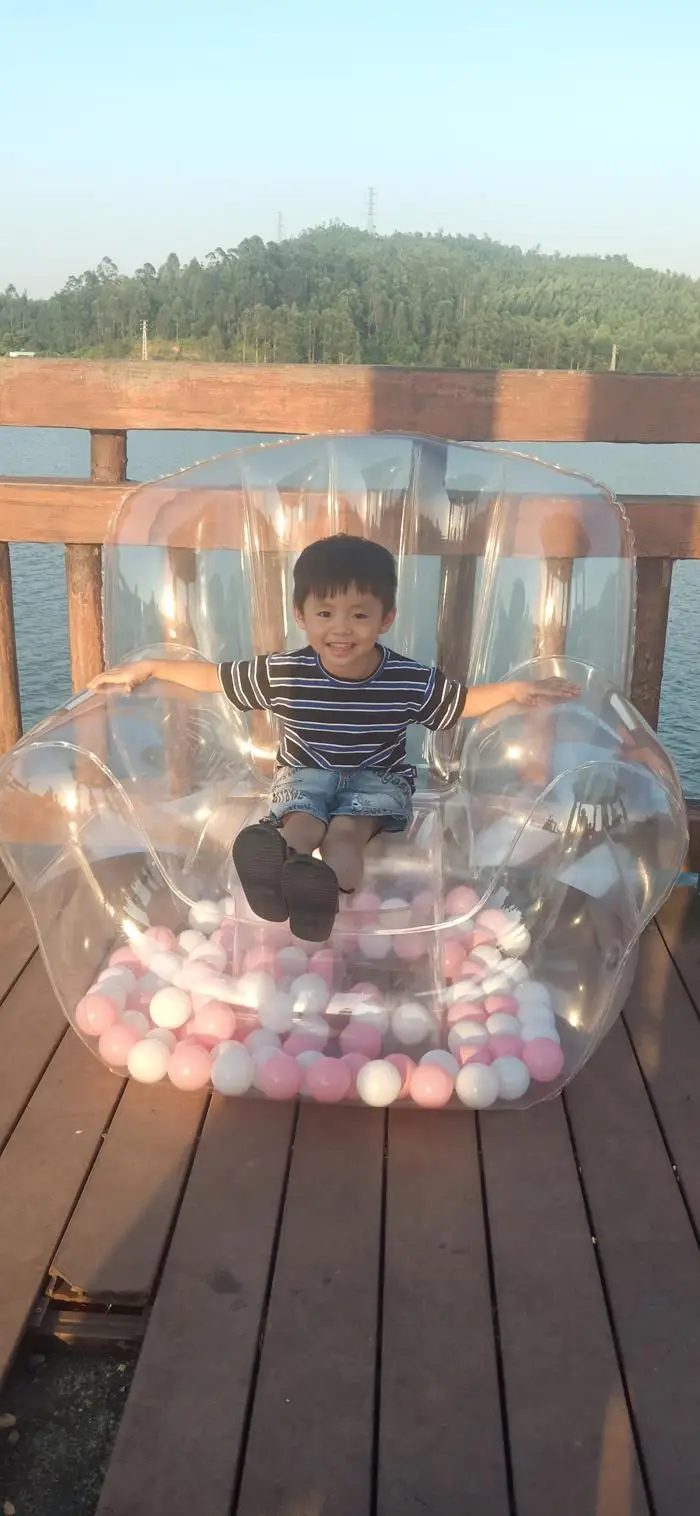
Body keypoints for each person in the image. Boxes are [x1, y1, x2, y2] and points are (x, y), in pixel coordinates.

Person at [90, 534, 578, 941]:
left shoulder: (408, 679)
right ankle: (279, 873)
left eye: (359, 615)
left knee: (345, 833)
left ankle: (318, 895)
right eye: (325, 614)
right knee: (303, 823)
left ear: (386, 618)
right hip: (306, 774)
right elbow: (213, 678)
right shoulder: (285, 671)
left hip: (378, 780)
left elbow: (461, 701)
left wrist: (516, 690)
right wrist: (147, 669)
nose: (341, 629)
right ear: (301, 615)